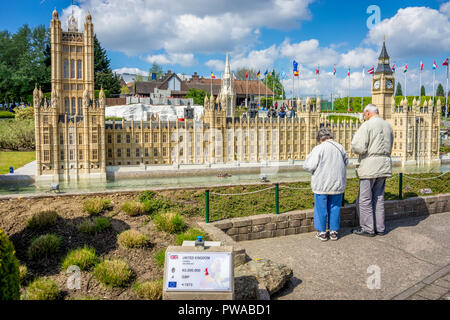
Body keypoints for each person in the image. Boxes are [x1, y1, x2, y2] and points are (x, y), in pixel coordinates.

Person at [351, 104, 393, 237]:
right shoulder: (388, 126)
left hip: (369, 166)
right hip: (384, 165)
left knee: (364, 199)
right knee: (379, 197)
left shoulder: (367, 125)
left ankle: (368, 228)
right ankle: (380, 228)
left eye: (364, 114)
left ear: (368, 113)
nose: (364, 117)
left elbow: (359, 148)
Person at [304, 127, 348, 241]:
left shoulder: (318, 148)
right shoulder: (340, 147)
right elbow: (346, 162)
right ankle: (333, 232)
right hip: (337, 184)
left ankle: (322, 233)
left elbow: (310, 166)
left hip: (322, 184)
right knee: (335, 207)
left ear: (320, 138)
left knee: (320, 209)